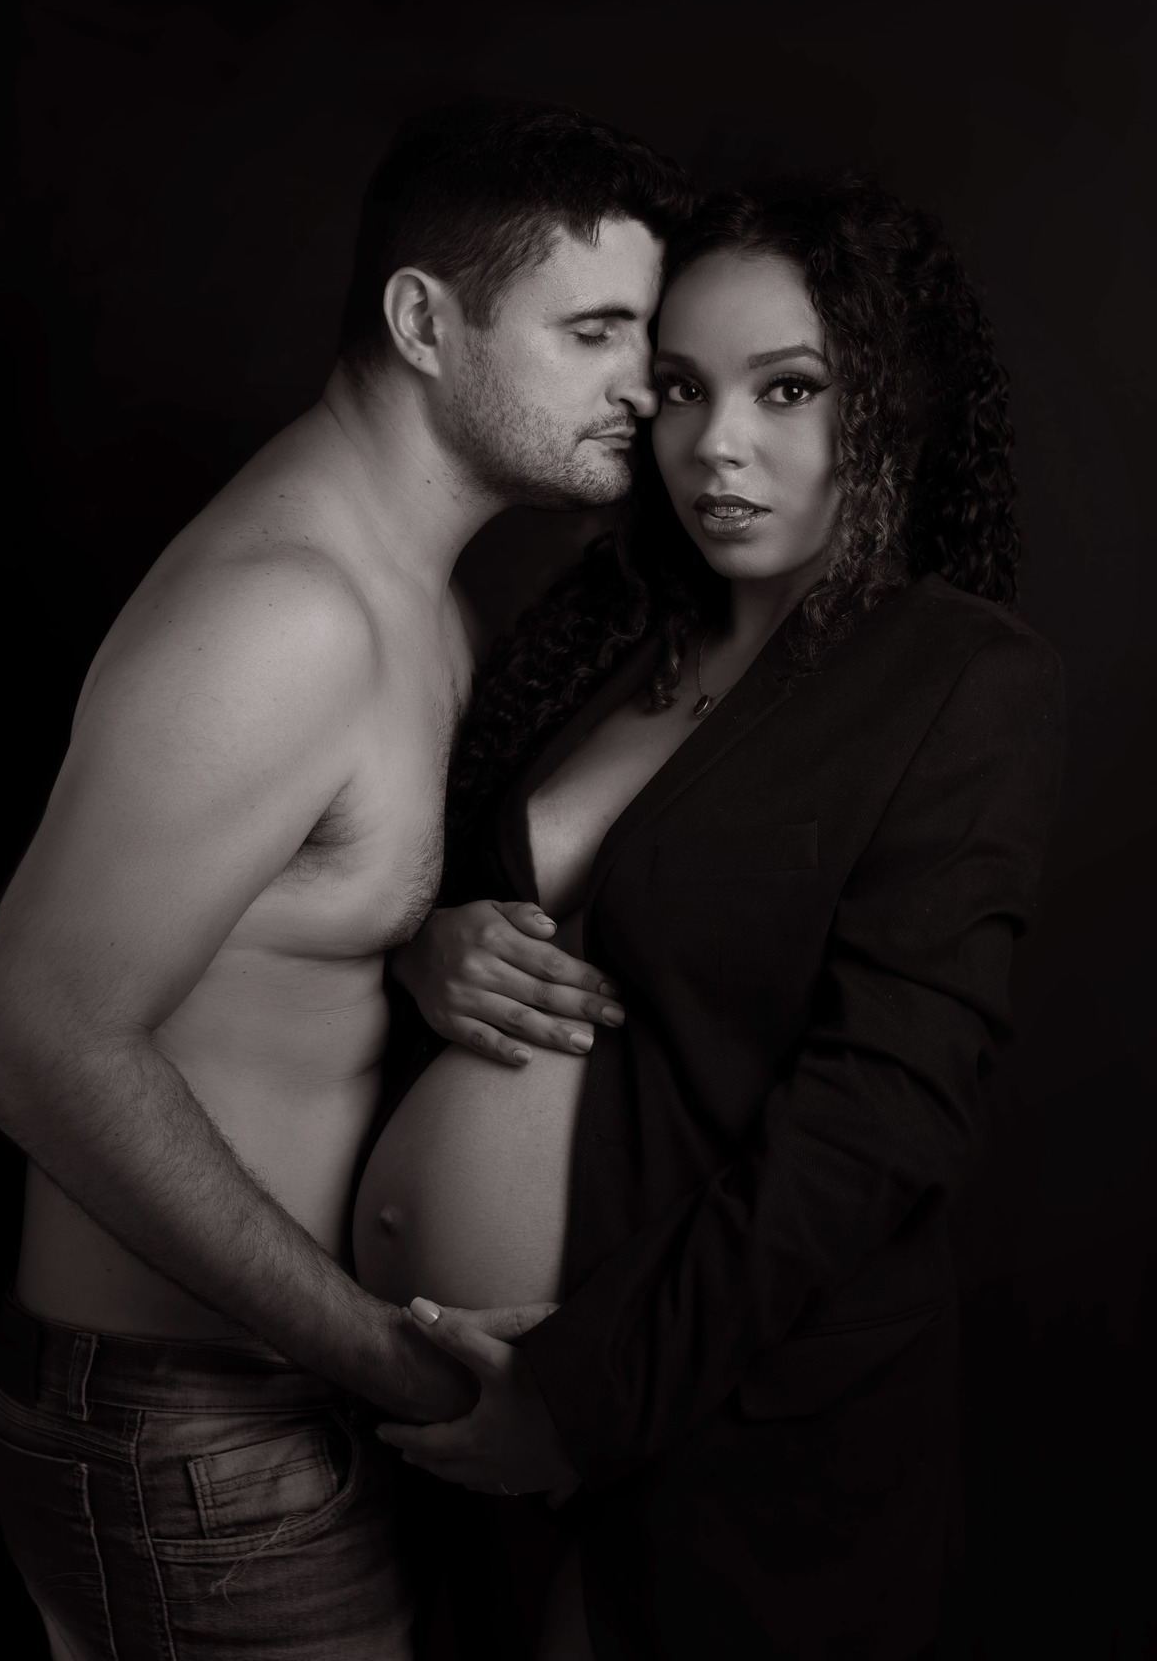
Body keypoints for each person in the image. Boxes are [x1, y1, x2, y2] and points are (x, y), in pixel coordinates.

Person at [0, 98, 692, 1659]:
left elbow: (265, 916)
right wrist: (398, 1363)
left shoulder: (419, 597)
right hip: (189, 1432)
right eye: (594, 333)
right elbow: (28, 1037)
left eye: (646, 333)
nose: (644, 384)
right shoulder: (290, 614)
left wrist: (417, 941)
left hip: (272, 1411)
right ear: (425, 322)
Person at [362, 173, 1066, 1659]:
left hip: (729, 1431)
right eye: (680, 388)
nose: (716, 444)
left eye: (788, 388)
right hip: (442, 1436)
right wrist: (429, 948)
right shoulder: (614, 635)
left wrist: (578, 1396)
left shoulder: (956, 679)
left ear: (892, 407)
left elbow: (879, 1116)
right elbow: (523, 911)